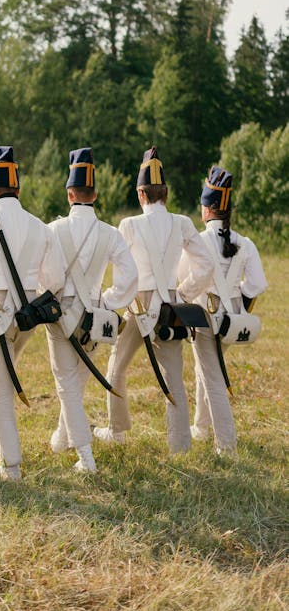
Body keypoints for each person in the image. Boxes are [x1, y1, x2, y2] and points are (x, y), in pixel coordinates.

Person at [93, 146, 214, 454]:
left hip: (138, 305)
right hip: (170, 304)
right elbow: (206, 265)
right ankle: (180, 444)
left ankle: (117, 430)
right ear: (166, 193)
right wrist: (183, 293)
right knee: (174, 377)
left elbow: (123, 271)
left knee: (116, 368)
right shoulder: (183, 222)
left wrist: (110, 299)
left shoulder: (129, 224)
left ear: (141, 194)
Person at [0, 146, 64, 481]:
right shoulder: (39, 226)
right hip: (28, 313)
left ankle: (10, 465)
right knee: (4, 376)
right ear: (17, 188)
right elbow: (56, 279)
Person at [46, 148, 138, 472]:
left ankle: (85, 456)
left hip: (62, 317)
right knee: (78, 381)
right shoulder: (110, 234)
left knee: (66, 383)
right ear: (95, 194)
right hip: (95, 319)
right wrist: (107, 302)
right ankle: (61, 437)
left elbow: (47, 276)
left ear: (70, 193)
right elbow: (131, 279)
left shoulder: (54, 230)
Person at [179, 165, 267, 455]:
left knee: (213, 379)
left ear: (208, 208)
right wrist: (234, 308)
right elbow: (255, 285)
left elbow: (183, 281)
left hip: (205, 320)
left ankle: (226, 445)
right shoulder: (246, 243)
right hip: (232, 322)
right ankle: (202, 427)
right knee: (206, 371)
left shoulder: (198, 241)